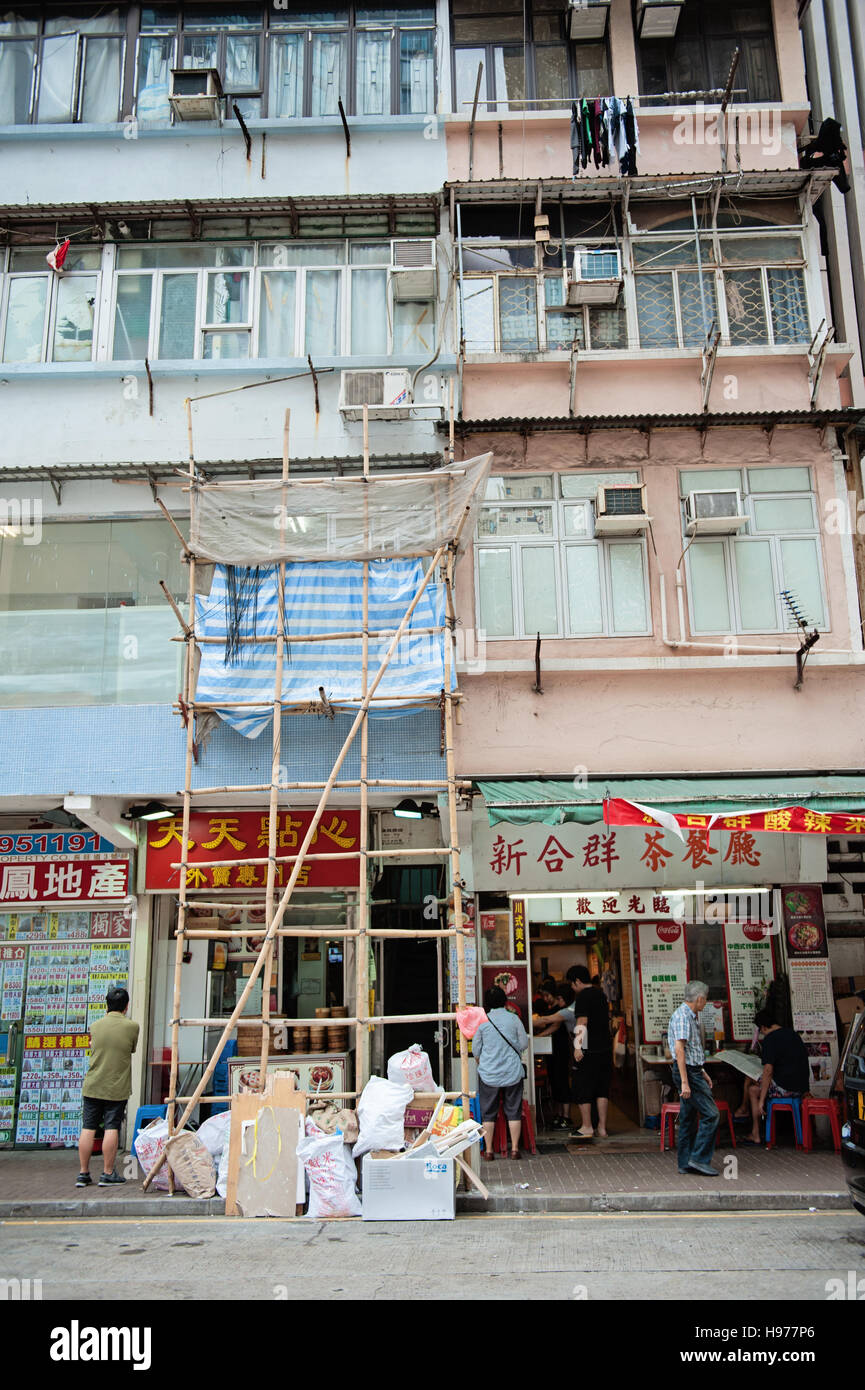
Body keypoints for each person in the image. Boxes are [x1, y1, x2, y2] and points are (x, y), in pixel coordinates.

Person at [540, 965, 612, 1139]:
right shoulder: (601, 994)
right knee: (602, 1089)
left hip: (589, 1049)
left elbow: (582, 1022)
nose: (572, 988)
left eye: (572, 984)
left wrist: (578, 1047)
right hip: (605, 1048)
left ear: (577, 981)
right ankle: (602, 1128)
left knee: (582, 1087)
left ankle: (587, 1126)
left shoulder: (583, 998)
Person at [77, 987, 139, 1187]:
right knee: (112, 1127)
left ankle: (83, 1173)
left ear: (107, 1005)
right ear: (126, 1006)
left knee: (88, 1128)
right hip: (116, 1086)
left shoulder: (95, 1026)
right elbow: (132, 1048)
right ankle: (108, 1172)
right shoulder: (132, 1027)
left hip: (93, 1084)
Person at [734, 1009, 810, 1144]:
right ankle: (747, 1116)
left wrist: (762, 1100)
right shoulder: (793, 1034)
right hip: (800, 1087)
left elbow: (768, 1071)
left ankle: (752, 1127)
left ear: (763, 1027)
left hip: (785, 1088)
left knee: (751, 1087)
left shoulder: (770, 1039)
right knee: (752, 1085)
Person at [667, 981, 719, 1176]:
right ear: (699, 999)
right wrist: (685, 1082)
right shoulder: (682, 1017)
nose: (705, 1004)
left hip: (693, 1070)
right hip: (688, 1073)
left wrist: (702, 1070)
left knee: (688, 1118)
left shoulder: (690, 1016)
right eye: (705, 1000)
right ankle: (699, 1159)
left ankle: (685, 1163)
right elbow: (679, 1050)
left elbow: (690, 1050)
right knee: (711, 1114)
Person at [474, 985, 529, 1161]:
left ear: (487, 1003)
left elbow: (476, 1049)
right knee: (513, 1110)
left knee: (488, 1113)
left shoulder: (482, 1022)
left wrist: (485, 1060)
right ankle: (514, 1150)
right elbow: (523, 1043)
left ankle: (489, 1151)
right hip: (512, 1072)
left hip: (489, 1074)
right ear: (505, 1001)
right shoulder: (513, 1019)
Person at [532, 980, 574, 1130]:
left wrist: (536, 1034)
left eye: (547, 995)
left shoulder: (560, 1011)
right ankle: (559, 1115)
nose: (545, 999)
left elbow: (551, 1025)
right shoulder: (556, 1009)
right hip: (552, 1051)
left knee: (561, 1082)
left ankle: (566, 1117)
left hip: (561, 1050)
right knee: (556, 1082)